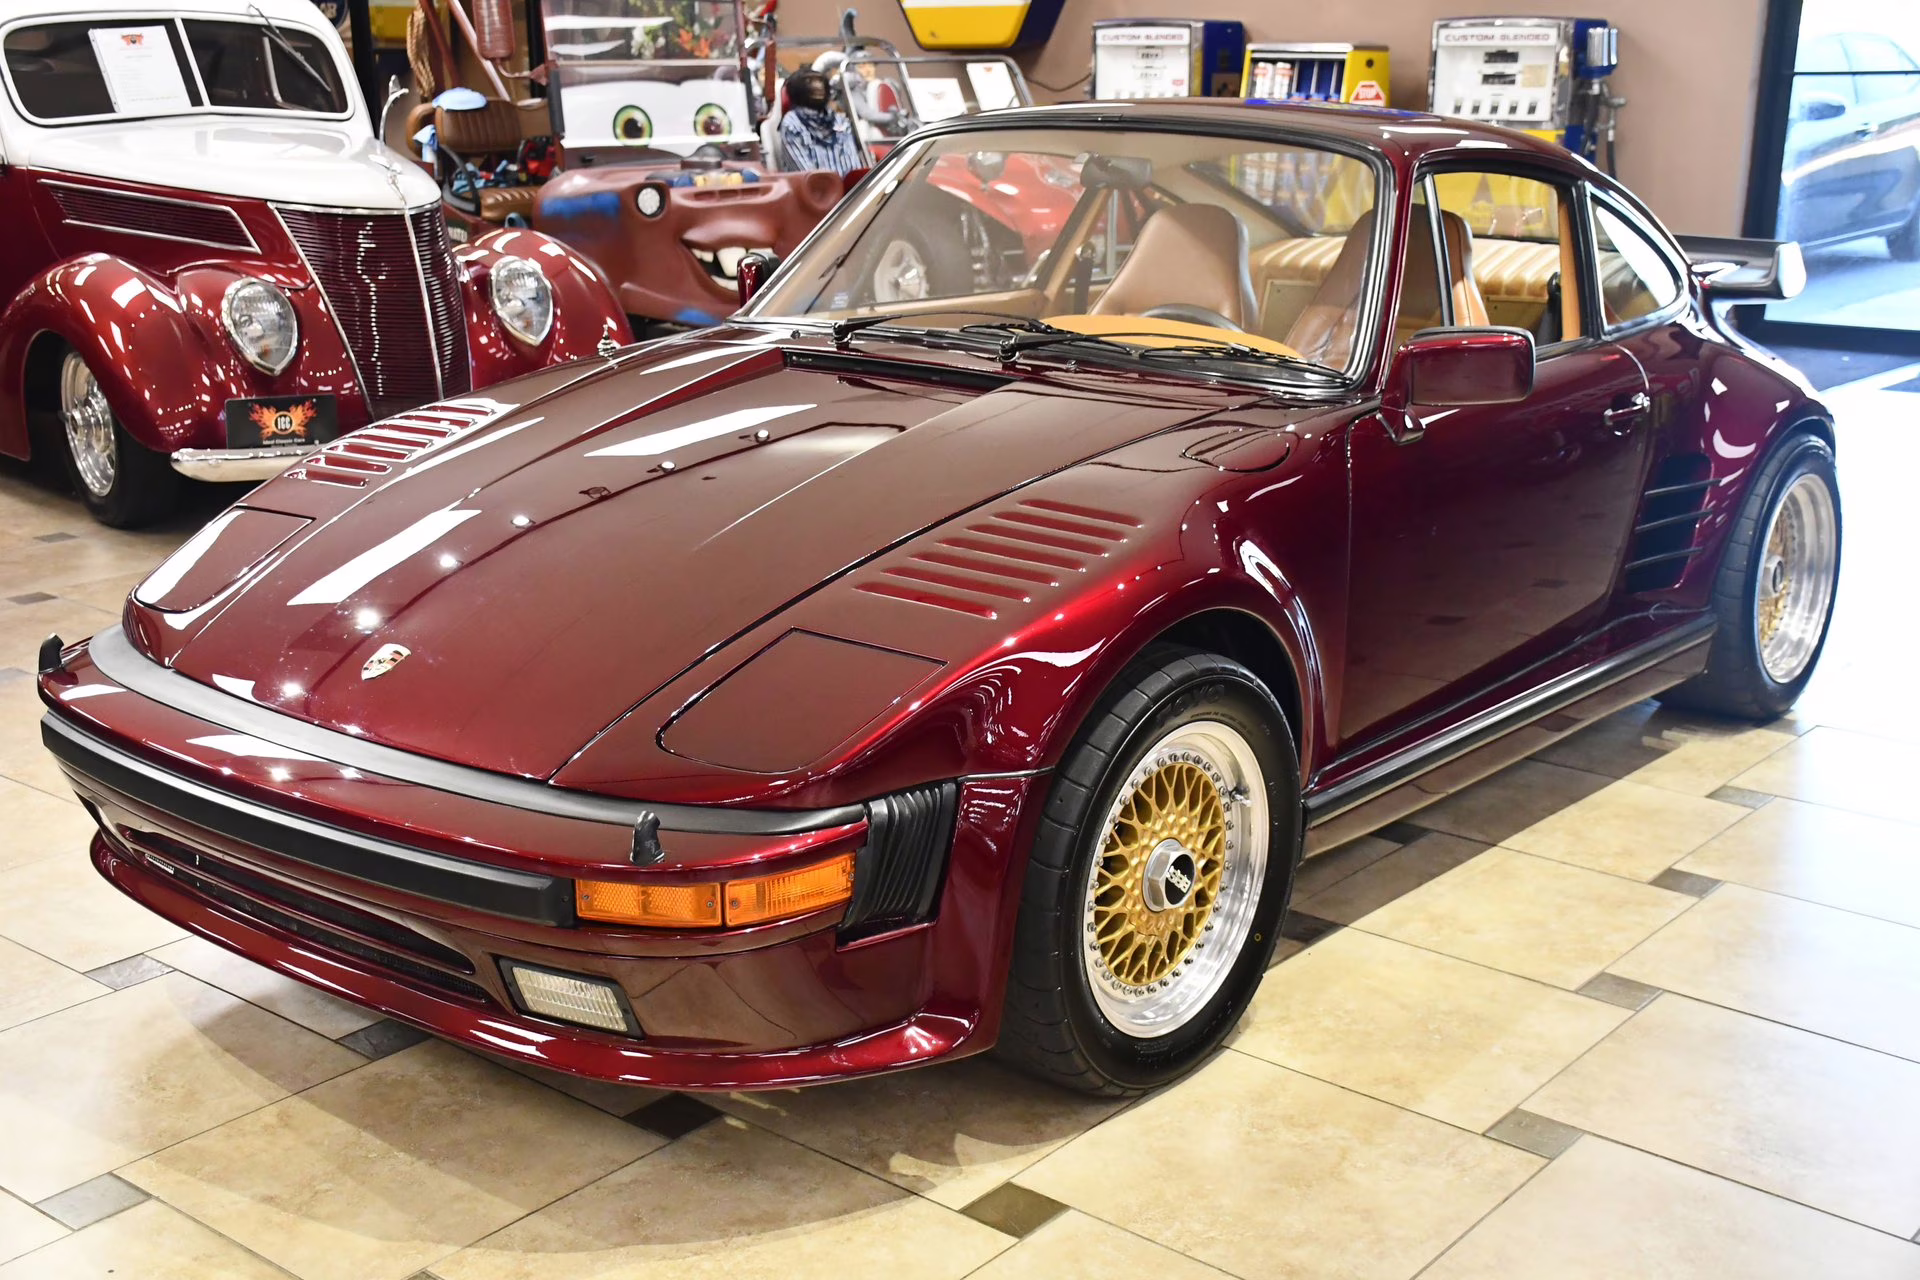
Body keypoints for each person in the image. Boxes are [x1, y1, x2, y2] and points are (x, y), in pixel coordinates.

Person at [777, 68, 863, 175]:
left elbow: (854, 167)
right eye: (810, 82)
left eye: (820, 81)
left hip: (852, 190)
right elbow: (807, 175)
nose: (818, 86)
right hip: (813, 189)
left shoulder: (840, 121)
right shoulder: (792, 124)